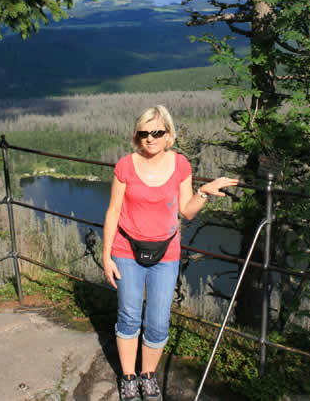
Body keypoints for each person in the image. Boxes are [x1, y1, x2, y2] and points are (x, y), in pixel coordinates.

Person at [102, 105, 238, 401]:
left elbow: (186, 211)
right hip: (126, 250)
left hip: (166, 253)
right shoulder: (125, 165)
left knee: (159, 319)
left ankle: (148, 376)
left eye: (157, 132)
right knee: (128, 315)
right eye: (144, 133)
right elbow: (113, 212)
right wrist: (106, 256)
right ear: (137, 135)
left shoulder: (181, 166)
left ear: (168, 135)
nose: (150, 138)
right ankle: (128, 377)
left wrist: (204, 192)